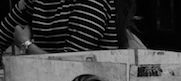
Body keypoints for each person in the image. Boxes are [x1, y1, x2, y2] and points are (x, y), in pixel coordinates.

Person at [0, 0, 135, 54]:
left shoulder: (91, 3)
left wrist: (25, 44)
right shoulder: (36, 2)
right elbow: (2, 35)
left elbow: (68, 67)